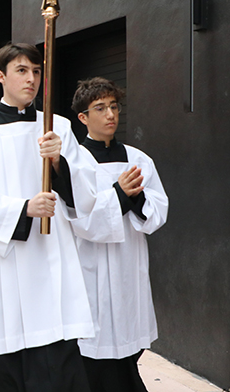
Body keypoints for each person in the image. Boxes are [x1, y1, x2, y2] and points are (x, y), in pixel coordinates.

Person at [0, 42, 96, 392]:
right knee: (3, 361)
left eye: (36, 71)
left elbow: (87, 192)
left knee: (54, 359)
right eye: (21, 70)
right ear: (1, 76)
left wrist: (59, 163)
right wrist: (23, 209)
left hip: (49, 263)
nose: (31, 78)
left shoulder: (56, 128)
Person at [69, 77, 169, 392]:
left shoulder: (138, 160)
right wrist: (119, 194)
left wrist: (136, 197)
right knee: (94, 351)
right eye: (100, 108)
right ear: (83, 117)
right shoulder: (74, 163)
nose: (111, 114)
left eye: (114, 106)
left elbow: (158, 211)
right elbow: (79, 219)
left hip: (129, 265)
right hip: (92, 267)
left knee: (128, 343)